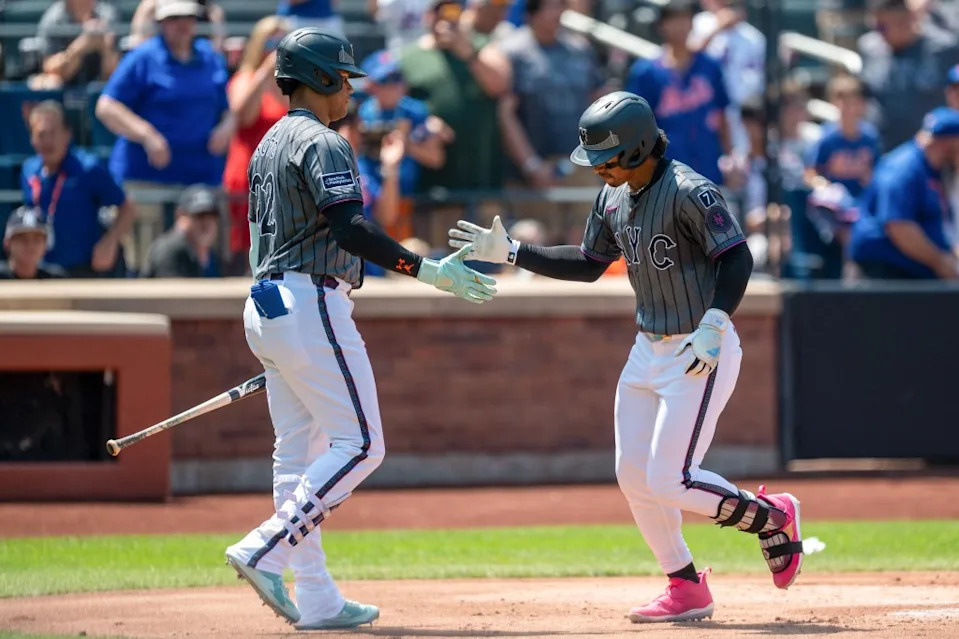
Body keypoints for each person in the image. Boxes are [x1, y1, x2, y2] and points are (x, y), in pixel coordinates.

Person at [448, 91, 804, 623]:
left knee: (670, 478)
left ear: (638, 148)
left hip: (698, 347)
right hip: (646, 348)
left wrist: (716, 321)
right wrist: (514, 253)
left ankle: (773, 516)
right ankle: (685, 585)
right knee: (633, 474)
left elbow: (736, 258)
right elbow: (591, 262)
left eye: (605, 159)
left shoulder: (689, 190)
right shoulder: (612, 196)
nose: (597, 169)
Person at [223, 27, 497, 631]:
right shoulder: (322, 141)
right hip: (310, 299)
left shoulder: (269, 140)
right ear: (320, 78)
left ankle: (317, 599)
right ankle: (265, 548)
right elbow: (349, 228)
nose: (350, 90)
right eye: (343, 79)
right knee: (364, 444)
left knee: (296, 456)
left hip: (269, 303)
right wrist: (426, 269)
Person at [21, 100, 135, 278]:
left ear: (67, 134)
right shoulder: (29, 170)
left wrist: (110, 242)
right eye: (41, 134)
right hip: (43, 269)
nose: (47, 141)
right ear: (32, 139)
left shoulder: (88, 168)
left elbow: (127, 207)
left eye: (53, 133)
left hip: (84, 269)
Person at [625, 0, 732, 185]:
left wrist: (729, 155)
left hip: (707, 165)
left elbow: (721, 115)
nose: (680, 26)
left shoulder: (709, 66)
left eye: (684, 19)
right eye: (673, 19)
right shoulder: (646, 72)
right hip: (664, 172)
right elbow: (636, 125)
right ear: (661, 25)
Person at [849, 107, 959, 279]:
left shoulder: (933, 170)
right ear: (949, 143)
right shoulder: (904, 168)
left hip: (911, 274)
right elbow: (899, 227)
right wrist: (941, 261)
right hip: (885, 276)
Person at [224, 16, 291, 275]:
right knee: (247, 250)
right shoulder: (246, 78)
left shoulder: (289, 85)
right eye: (271, 41)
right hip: (248, 175)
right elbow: (242, 114)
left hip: (281, 176)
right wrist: (265, 71)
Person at [858, 0, 959, 151]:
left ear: (907, 22)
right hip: (885, 150)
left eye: (883, 27)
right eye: (876, 27)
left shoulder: (943, 49)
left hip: (931, 154)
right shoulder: (869, 48)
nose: (878, 33)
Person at [32, 0, 120, 89]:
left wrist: (106, 47)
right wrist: (80, 46)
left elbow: (115, 73)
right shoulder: (54, 18)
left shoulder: (106, 14)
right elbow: (49, 68)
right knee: (51, 82)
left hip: (101, 90)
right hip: (66, 89)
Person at [142, 184, 222, 277]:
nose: (206, 223)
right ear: (180, 216)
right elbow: (172, 290)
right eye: (200, 216)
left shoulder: (211, 255)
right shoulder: (170, 250)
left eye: (212, 217)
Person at [0, 207, 67, 280]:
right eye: (22, 238)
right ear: (7, 243)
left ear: (46, 244)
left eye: (37, 239)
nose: (30, 245)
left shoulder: (55, 279)